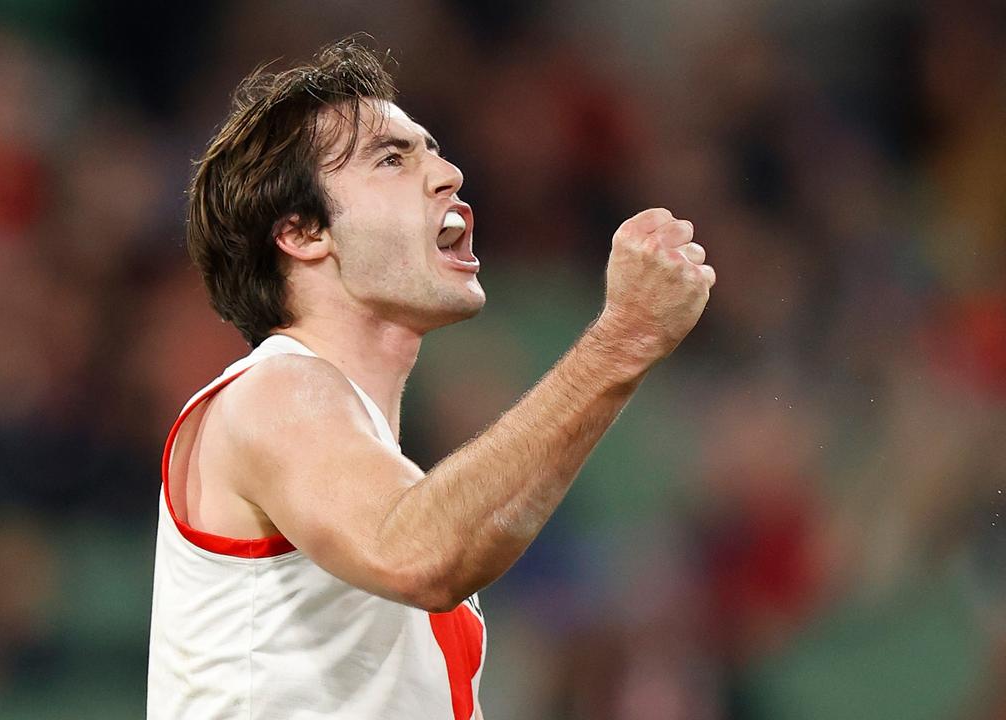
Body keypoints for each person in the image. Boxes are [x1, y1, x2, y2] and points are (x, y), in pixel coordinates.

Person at [146, 36, 715, 720]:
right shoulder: (273, 390)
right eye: (392, 159)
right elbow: (420, 553)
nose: (448, 175)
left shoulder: (388, 482)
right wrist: (623, 339)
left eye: (434, 151)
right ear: (302, 233)